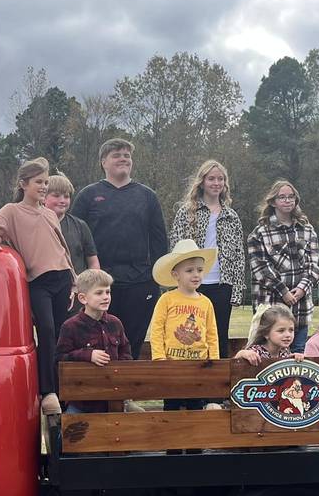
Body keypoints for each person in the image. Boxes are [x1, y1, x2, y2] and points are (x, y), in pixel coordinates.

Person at [0, 157, 73, 416]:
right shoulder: (12, 210)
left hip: (62, 277)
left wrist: (73, 279)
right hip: (38, 281)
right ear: (23, 184)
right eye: (38, 182)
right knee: (47, 329)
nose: (43, 187)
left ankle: (67, 389)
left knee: (65, 333)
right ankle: (48, 391)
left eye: (46, 182)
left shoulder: (50, 213)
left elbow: (61, 248)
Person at [71, 138, 168, 360]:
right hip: (100, 284)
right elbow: (75, 239)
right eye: (117, 155)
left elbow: (159, 241)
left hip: (140, 283)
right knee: (98, 341)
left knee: (130, 344)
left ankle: (125, 393)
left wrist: (157, 278)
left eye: (127, 155)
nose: (123, 159)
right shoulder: (88, 195)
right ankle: (100, 393)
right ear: (103, 161)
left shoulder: (147, 196)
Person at [170, 160, 245, 351]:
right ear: (202, 182)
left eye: (220, 179)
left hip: (222, 285)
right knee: (191, 335)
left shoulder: (231, 216)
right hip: (193, 283)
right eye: (211, 178)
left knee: (218, 336)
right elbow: (175, 248)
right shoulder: (186, 212)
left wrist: (236, 290)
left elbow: (239, 256)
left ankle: (218, 378)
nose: (216, 183)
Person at [246, 180, 319, 354]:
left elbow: (314, 265)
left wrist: (302, 289)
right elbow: (261, 269)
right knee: (265, 356)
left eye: (291, 197)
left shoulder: (307, 230)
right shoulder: (259, 233)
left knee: (298, 354)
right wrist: (284, 291)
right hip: (270, 307)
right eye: (282, 197)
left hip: (300, 309)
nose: (287, 201)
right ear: (273, 202)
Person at [148, 239, 221, 412]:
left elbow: (212, 334)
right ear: (175, 275)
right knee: (172, 406)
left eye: (200, 270)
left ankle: (194, 438)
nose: (196, 275)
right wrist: (159, 358)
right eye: (189, 270)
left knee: (195, 407)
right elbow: (157, 330)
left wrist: (214, 361)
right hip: (171, 365)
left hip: (199, 366)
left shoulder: (206, 302)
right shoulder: (166, 299)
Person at [56, 268, 130, 414]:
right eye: (99, 293)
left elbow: (125, 351)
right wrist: (87, 355)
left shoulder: (115, 323)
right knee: (71, 431)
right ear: (83, 298)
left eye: (108, 292)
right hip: (82, 402)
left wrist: (121, 374)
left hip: (114, 398)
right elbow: (59, 359)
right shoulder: (70, 326)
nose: (105, 297)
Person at [43, 173, 99, 276]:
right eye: (56, 196)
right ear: (43, 197)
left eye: (66, 196)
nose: (62, 201)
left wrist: (91, 286)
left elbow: (93, 262)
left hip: (77, 288)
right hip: (44, 287)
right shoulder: (34, 224)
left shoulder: (80, 226)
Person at [236, 304, 304, 365]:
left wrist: (296, 358)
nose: (288, 335)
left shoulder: (285, 352)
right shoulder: (256, 352)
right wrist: (242, 354)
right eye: (281, 331)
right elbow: (234, 364)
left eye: (291, 330)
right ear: (266, 333)